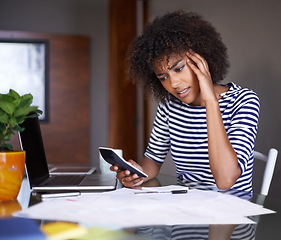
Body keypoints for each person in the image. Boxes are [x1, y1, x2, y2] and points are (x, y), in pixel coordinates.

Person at [110, 10, 260, 192]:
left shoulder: (243, 101)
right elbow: (153, 161)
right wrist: (137, 174)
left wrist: (211, 102)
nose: (174, 83)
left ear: (201, 59)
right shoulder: (169, 106)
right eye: (163, 77)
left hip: (233, 212)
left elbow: (225, 180)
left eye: (179, 68)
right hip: (186, 210)